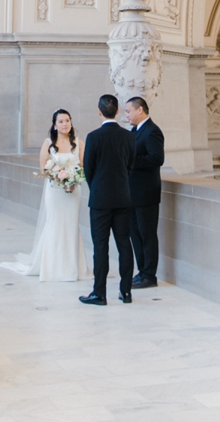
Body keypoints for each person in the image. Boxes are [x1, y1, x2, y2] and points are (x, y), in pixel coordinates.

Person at [0, 109, 92, 281]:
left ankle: (72, 268)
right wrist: (60, 180)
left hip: (73, 192)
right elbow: (43, 168)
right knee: (54, 224)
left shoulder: (79, 142)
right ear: (55, 125)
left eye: (67, 121)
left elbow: (83, 167)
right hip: (54, 191)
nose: (65, 124)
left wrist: (72, 182)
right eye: (61, 121)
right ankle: (52, 267)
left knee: (71, 226)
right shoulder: (48, 143)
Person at [80, 94, 135, 305]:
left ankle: (99, 293)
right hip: (123, 197)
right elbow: (130, 165)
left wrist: (96, 187)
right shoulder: (129, 136)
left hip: (100, 199)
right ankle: (126, 291)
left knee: (100, 247)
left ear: (99, 112)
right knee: (124, 244)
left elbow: (88, 168)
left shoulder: (93, 137)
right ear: (118, 111)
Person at [124, 97, 164, 289]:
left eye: (129, 111)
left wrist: (131, 161)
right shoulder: (135, 131)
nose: (127, 115)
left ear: (140, 110)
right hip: (133, 192)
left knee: (147, 233)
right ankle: (141, 271)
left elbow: (157, 158)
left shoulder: (153, 131)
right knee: (135, 233)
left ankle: (149, 275)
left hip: (146, 192)